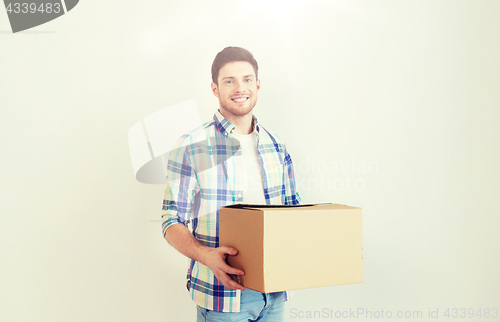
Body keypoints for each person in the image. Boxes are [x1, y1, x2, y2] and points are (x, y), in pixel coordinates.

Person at [161, 46, 301, 321]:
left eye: (247, 79)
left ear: (258, 85)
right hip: (221, 297)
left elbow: (293, 211)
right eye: (229, 81)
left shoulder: (276, 145)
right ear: (215, 89)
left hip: (275, 292)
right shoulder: (191, 145)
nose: (240, 88)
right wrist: (206, 255)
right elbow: (170, 220)